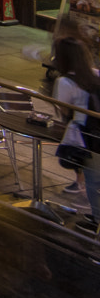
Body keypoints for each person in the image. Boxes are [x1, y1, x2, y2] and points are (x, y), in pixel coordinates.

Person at [48, 37, 100, 232]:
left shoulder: (65, 81)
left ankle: (96, 222)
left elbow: (63, 110)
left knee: (93, 180)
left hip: (86, 137)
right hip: (98, 132)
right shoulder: (96, 74)